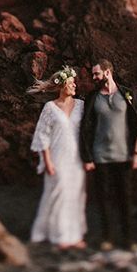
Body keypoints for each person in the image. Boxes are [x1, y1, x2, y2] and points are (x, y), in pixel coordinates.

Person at [80, 59, 137, 250]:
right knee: (103, 198)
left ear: (107, 72)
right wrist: (87, 157)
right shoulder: (92, 97)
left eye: (96, 73)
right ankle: (108, 237)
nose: (93, 77)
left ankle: (128, 238)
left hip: (123, 155)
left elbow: (136, 125)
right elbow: (85, 128)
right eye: (93, 74)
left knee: (125, 197)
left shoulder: (127, 94)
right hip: (100, 156)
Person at [28, 65, 86, 249]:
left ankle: (74, 236)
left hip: (77, 157)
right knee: (58, 191)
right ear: (61, 86)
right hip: (57, 155)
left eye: (74, 83)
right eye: (70, 83)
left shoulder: (82, 106)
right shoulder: (50, 108)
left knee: (75, 194)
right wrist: (47, 162)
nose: (74, 86)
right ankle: (57, 234)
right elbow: (42, 135)